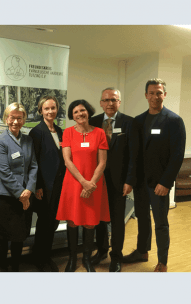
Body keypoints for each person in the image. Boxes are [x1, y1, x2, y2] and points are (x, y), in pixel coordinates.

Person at [122, 78, 186, 272]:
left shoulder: (174, 121)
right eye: (151, 93)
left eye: (159, 93)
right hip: (141, 183)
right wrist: (131, 180)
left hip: (159, 184)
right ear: (146, 95)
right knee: (142, 219)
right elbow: (134, 154)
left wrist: (166, 182)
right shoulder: (138, 121)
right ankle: (142, 251)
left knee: (161, 224)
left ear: (164, 95)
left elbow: (177, 156)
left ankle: (163, 261)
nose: (155, 96)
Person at [56, 99, 110, 272]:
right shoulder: (68, 133)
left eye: (82, 110)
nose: (79, 114)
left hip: (94, 184)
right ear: (72, 116)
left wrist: (91, 183)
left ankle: (86, 258)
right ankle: (73, 258)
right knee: (72, 221)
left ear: (89, 111)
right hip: (74, 183)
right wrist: (83, 182)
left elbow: (102, 162)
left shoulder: (100, 133)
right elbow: (67, 160)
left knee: (90, 223)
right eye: (75, 112)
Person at [89, 88, 134, 272]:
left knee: (116, 220)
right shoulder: (92, 122)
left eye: (114, 100)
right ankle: (101, 251)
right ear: (100, 102)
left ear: (119, 102)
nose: (110, 103)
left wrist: (129, 180)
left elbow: (133, 155)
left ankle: (116, 256)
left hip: (119, 181)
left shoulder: (129, 123)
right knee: (99, 218)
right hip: (97, 180)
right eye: (106, 100)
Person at [0, 102, 38, 272]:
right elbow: (4, 172)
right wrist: (21, 194)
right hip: (7, 198)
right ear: (6, 119)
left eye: (20, 118)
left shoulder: (28, 140)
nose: (16, 121)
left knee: (20, 236)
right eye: (12, 117)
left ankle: (15, 268)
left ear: (24, 120)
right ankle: (4, 269)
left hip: (26, 194)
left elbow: (33, 166)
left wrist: (29, 190)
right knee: (4, 236)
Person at [29, 96, 66, 272]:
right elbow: (33, 162)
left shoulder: (60, 131)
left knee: (54, 222)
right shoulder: (36, 132)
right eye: (46, 109)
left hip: (60, 186)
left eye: (53, 108)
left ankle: (44, 253)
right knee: (44, 223)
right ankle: (40, 258)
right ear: (40, 111)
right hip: (44, 188)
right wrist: (37, 186)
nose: (50, 111)